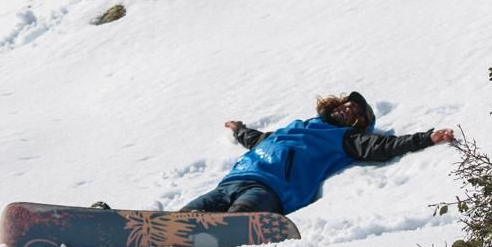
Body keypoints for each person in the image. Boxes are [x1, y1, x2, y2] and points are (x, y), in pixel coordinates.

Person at [179, 91, 455, 215]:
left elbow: (382, 147)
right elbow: (261, 140)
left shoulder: (344, 138)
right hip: (235, 180)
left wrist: (426, 138)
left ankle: (221, 231)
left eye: (355, 113)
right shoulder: (299, 126)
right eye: (347, 104)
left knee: (239, 218)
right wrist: (239, 129)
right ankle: (175, 232)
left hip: (272, 191)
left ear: (356, 125)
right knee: (189, 213)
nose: (348, 109)